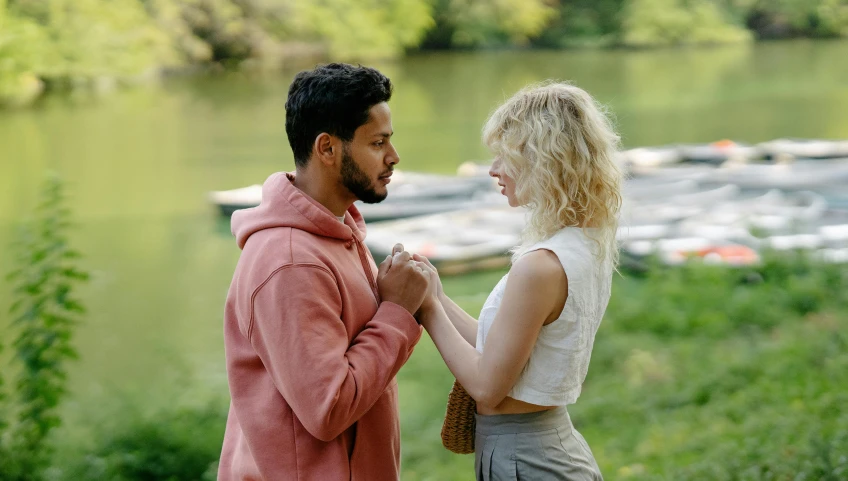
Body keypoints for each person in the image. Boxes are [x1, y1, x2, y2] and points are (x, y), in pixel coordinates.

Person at [217, 63, 432, 481]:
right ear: (327, 149)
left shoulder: (337, 231)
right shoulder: (291, 262)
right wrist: (397, 314)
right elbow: (328, 408)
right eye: (377, 143)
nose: (393, 157)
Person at [414, 82, 623, 480]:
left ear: (545, 159)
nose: (492, 169)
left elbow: (488, 386)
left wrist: (426, 312)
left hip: (526, 459)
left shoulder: (541, 265)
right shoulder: (583, 243)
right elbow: (502, 351)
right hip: (543, 447)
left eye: (504, 156)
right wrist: (437, 296)